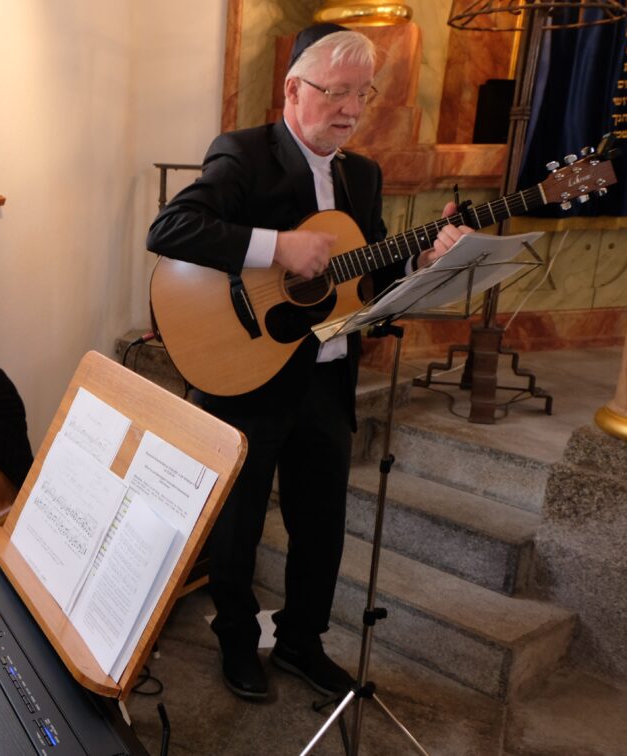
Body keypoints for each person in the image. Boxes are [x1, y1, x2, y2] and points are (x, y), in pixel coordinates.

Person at [146, 24, 470, 700]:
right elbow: (171, 230)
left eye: (364, 96)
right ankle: (236, 642)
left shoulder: (363, 174)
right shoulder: (244, 154)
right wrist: (275, 248)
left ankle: (300, 642)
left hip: (325, 377)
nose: (352, 110)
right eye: (338, 94)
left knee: (321, 525)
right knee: (236, 527)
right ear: (294, 89)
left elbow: (366, 277)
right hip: (247, 375)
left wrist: (421, 259)